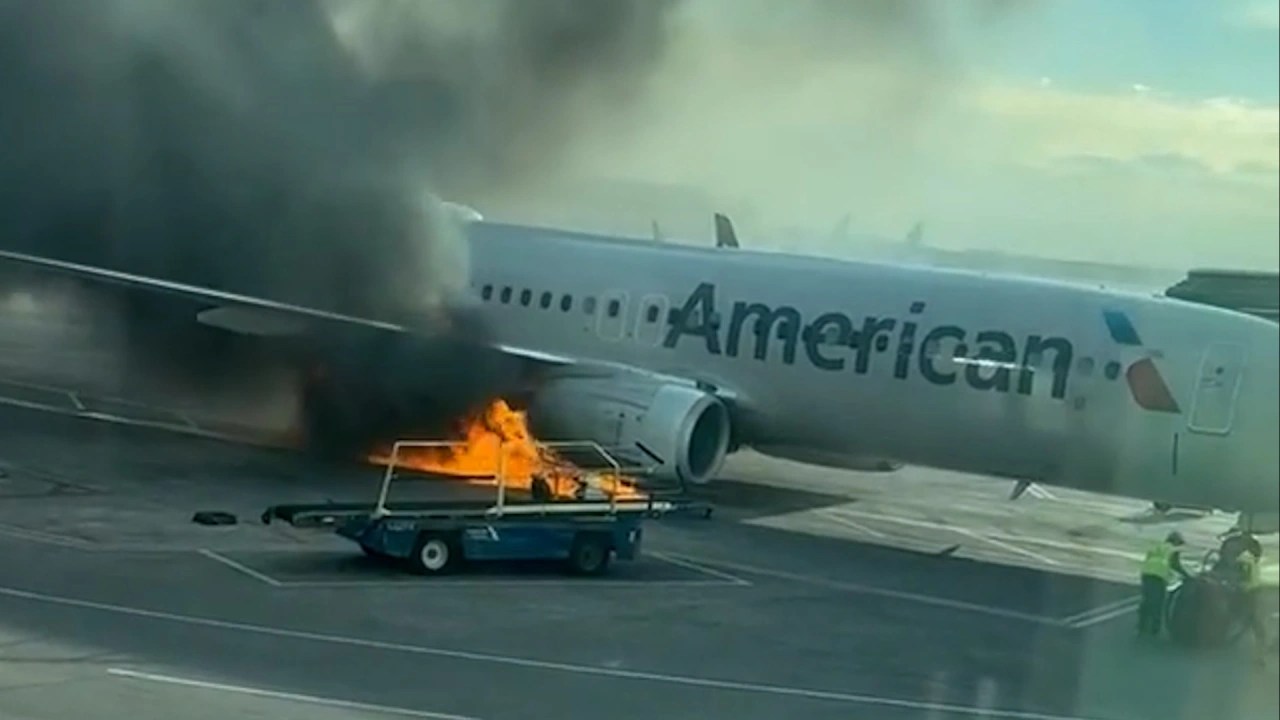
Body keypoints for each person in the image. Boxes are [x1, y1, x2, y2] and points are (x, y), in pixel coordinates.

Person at [1137, 531, 1190, 638]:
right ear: (1175, 541)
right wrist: (1187, 577)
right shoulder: (1173, 550)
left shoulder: (1156, 547)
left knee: (1147, 600)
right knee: (1158, 602)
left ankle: (1141, 626)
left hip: (1146, 575)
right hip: (1158, 577)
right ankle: (1154, 629)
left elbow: (1151, 561)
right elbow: (1175, 565)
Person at [1234, 538, 1269, 666]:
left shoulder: (1248, 560)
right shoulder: (1247, 561)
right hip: (1249, 593)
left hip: (1251, 592)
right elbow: (1243, 577)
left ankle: (1258, 654)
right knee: (1257, 625)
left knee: (1253, 623)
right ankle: (1259, 657)